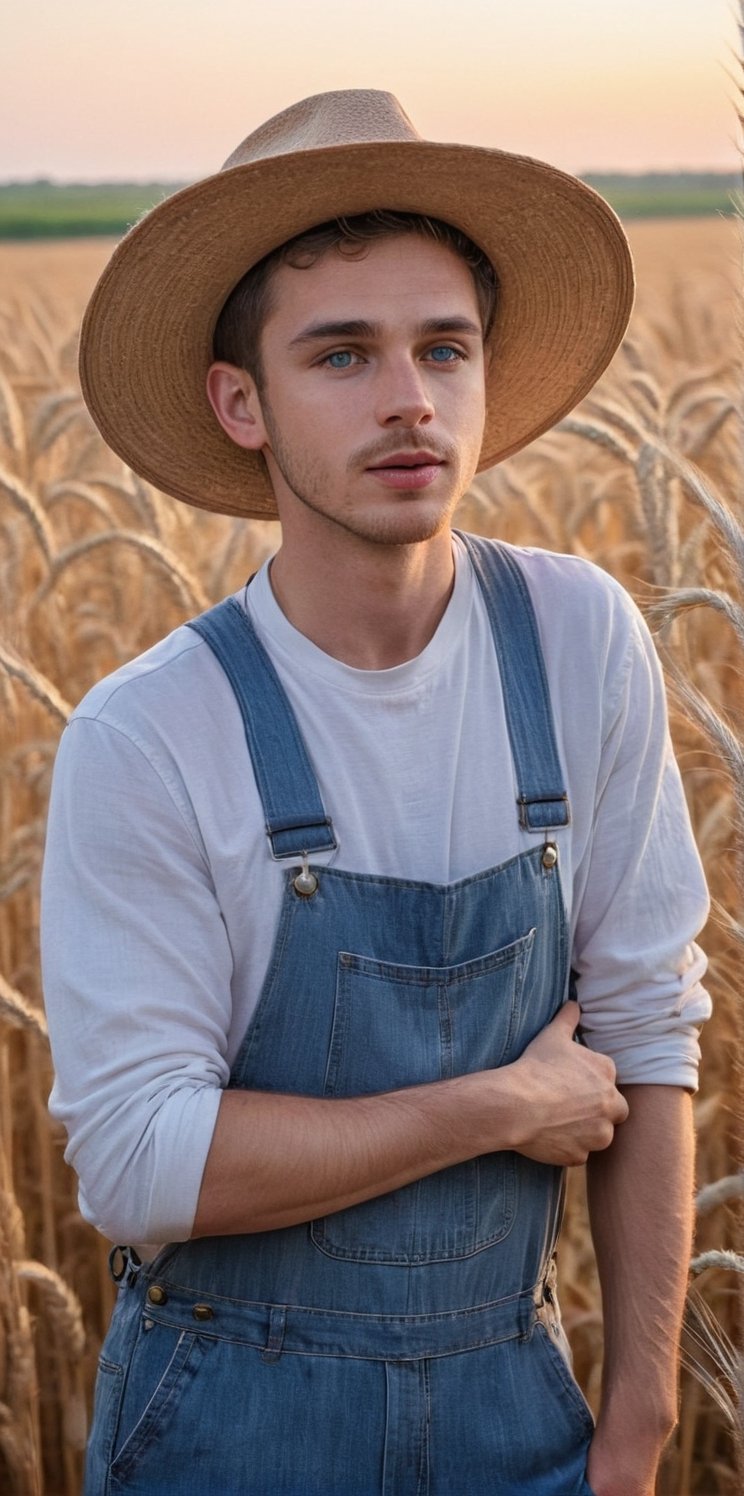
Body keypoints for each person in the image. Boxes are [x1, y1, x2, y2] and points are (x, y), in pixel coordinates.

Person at [41, 90, 711, 1496]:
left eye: (442, 348)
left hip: (519, 1414)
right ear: (243, 404)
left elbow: (649, 1038)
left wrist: (639, 1431)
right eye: (341, 354)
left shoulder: (580, 638)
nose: (409, 398)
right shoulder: (154, 730)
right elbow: (141, 1167)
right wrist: (496, 1105)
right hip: (226, 1427)